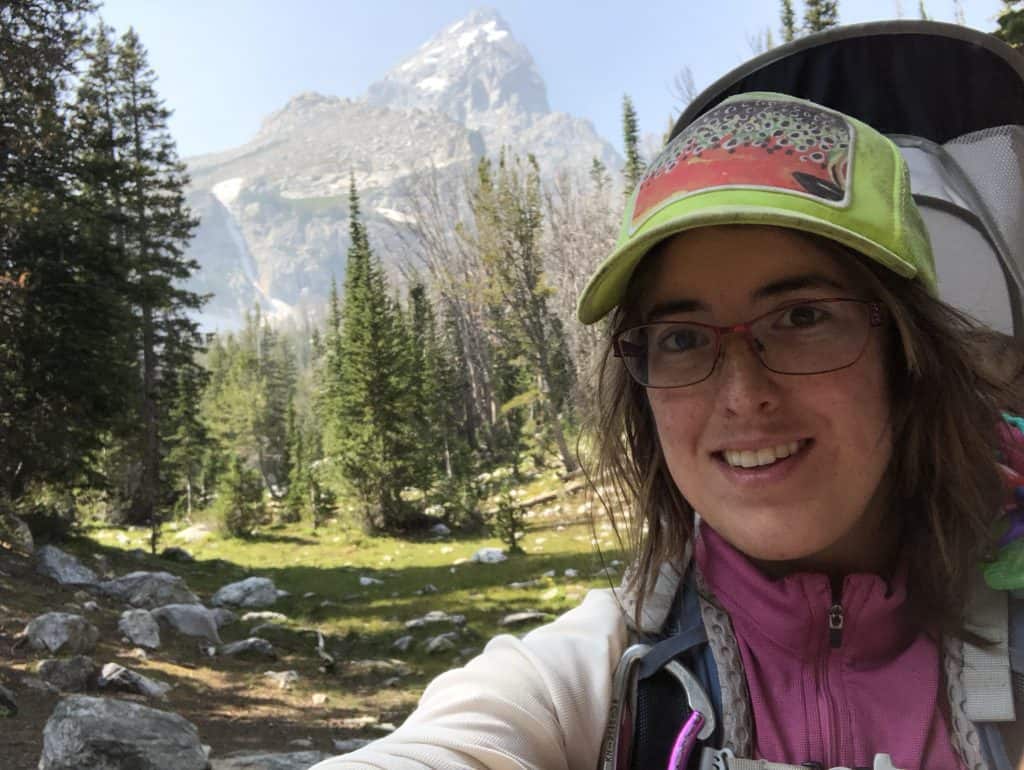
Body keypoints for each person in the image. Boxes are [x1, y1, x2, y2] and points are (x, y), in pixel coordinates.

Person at [311, 92, 1024, 770]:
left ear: (909, 354)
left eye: (802, 317)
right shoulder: (604, 673)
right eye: (683, 338)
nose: (743, 397)